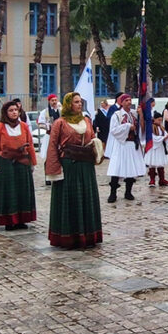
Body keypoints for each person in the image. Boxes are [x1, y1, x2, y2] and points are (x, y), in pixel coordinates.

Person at [44, 92, 103, 248]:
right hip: (69, 166)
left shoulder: (86, 121)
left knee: (86, 198)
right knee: (70, 199)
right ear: (69, 104)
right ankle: (68, 236)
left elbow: (91, 138)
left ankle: (89, 235)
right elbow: (52, 147)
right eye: (76, 102)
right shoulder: (60, 123)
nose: (79, 104)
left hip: (86, 166)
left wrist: (95, 146)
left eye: (80, 102)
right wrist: (54, 169)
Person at [0, 100, 37, 231]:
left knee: (22, 191)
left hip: (22, 163)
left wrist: (32, 162)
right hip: (6, 164)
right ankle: (9, 220)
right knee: (8, 192)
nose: (14, 113)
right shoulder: (0, 128)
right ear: (5, 113)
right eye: (11, 110)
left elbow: (29, 144)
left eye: (16, 110)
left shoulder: (24, 126)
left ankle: (22, 220)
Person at [105, 93, 146, 202]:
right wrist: (127, 127)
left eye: (130, 100)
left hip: (132, 145)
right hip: (121, 144)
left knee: (130, 169)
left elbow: (141, 128)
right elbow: (113, 130)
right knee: (117, 169)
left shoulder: (134, 114)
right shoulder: (117, 115)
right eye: (126, 100)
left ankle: (128, 192)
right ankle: (113, 193)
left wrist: (141, 115)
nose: (129, 102)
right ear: (122, 102)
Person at [37, 94, 61, 184]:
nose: (54, 102)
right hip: (49, 136)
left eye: (55, 100)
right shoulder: (45, 112)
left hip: (60, 136)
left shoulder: (61, 110)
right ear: (49, 101)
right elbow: (40, 123)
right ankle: (48, 177)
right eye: (52, 100)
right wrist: (47, 127)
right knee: (49, 156)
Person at [145, 111, 168, 186]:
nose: (160, 121)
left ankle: (162, 179)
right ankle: (152, 180)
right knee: (152, 164)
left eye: (161, 120)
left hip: (160, 147)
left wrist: (167, 138)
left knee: (160, 164)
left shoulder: (161, 127)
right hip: (153, 148)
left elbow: (165, 134)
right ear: (154, 119)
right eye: (159, 120)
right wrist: (162, 138)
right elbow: (152, 138)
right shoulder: (151, 127)